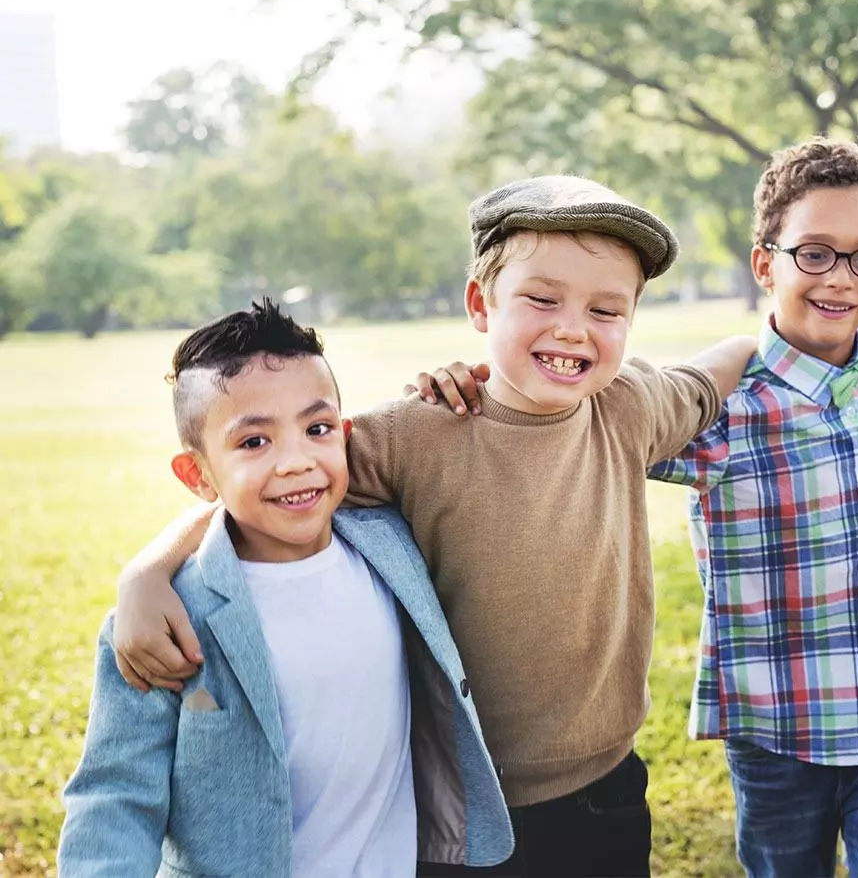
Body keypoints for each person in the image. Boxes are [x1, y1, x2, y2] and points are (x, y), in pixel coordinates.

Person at [109, 176, 758, 878]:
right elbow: (273, 486)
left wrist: (758, 340)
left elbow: (706, 376)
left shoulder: (630, 407)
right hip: (456, 803)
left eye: (607, 309)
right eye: (542, 299)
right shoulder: (415, 434)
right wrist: (145, 573)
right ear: (482, 304)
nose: (573, 327)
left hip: (606, 790)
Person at [58, 300, 513, 878]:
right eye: (254, 443)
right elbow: (115, 799)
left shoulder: (392, 545)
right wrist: (145, 576)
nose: (297, 461)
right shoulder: (166, 620)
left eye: (316, 429)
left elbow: (473, 450)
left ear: (344, 436)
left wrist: (459, 387)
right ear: (197, 475)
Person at [646, 137, 858, 877]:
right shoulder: (718, 409)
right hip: (780, 722)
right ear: (765, 263)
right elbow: (590, 417)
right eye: (813, 253)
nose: (840, 279)